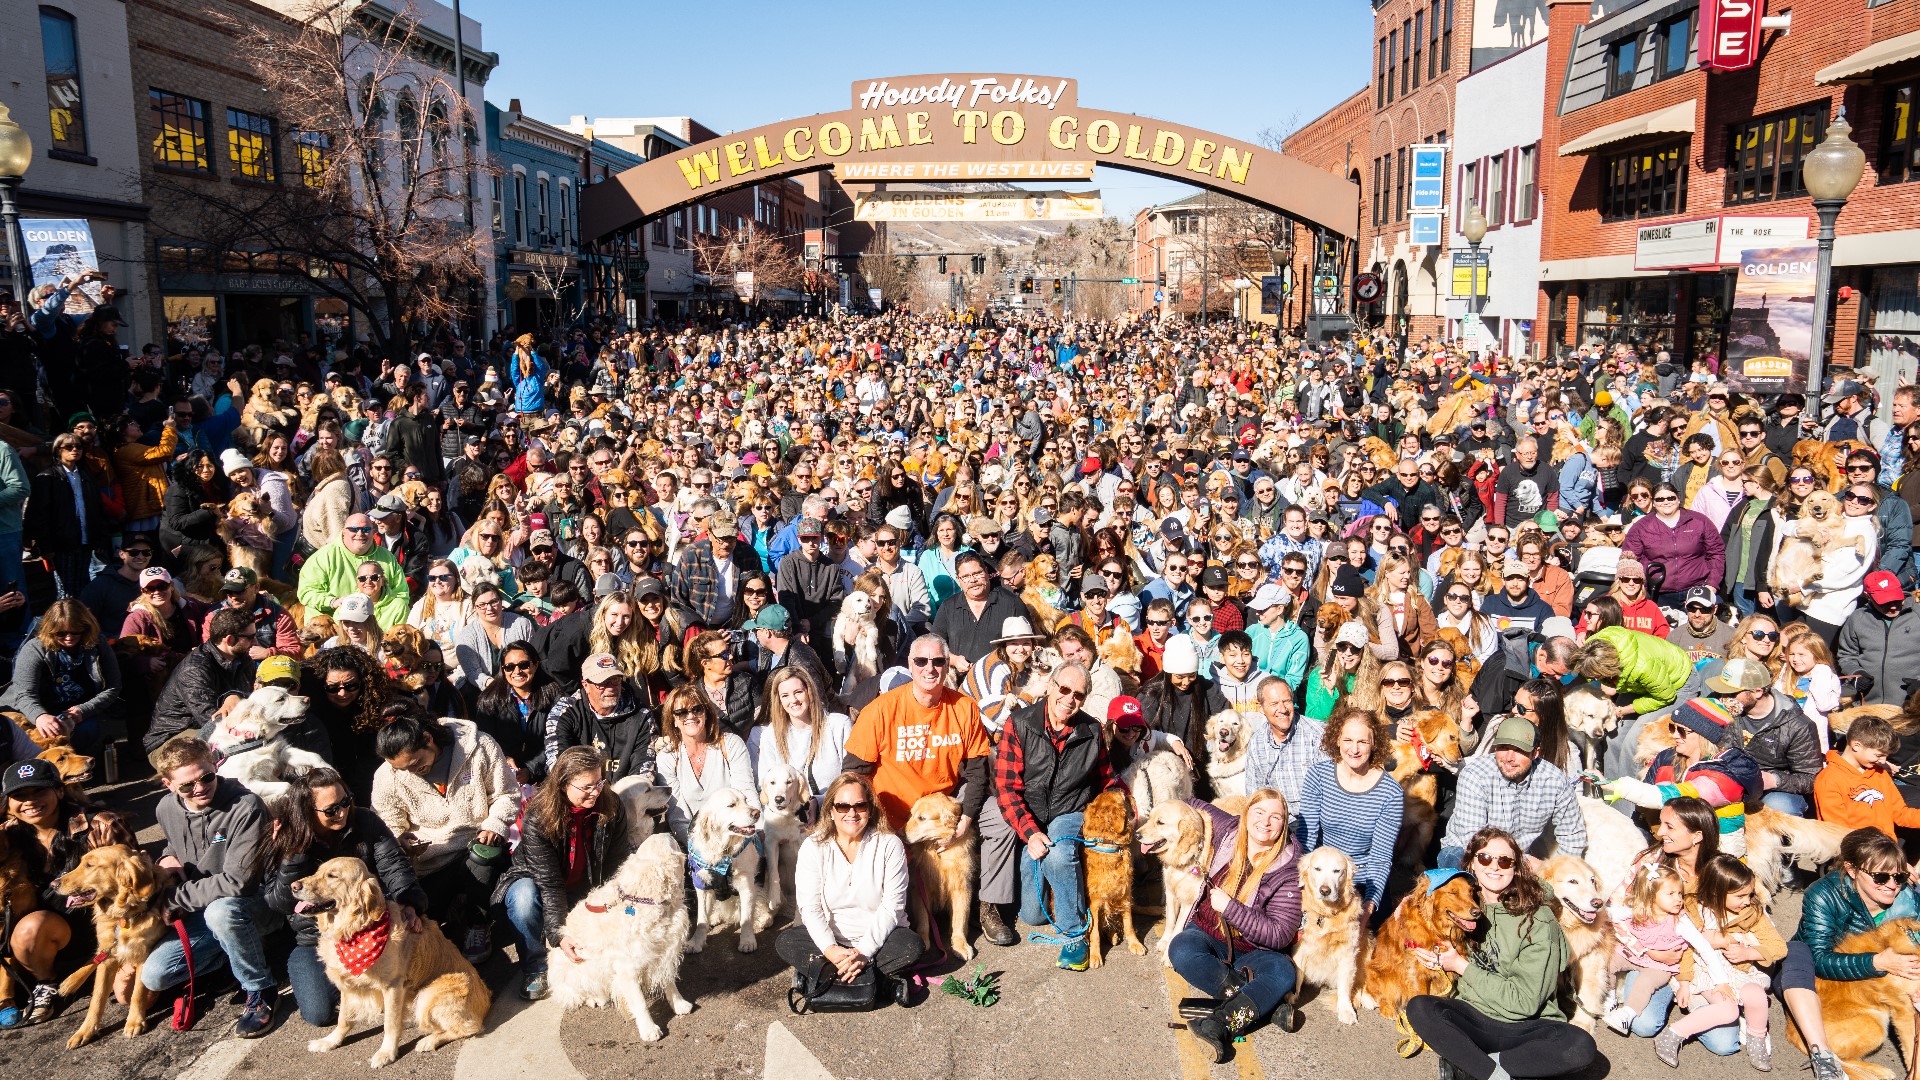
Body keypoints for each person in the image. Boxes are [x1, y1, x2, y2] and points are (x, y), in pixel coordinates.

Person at [1403, 827, 1597, 1080]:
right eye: (1485, 858)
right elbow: (1427, 898)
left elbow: (1524, 1003)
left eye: (1504, 860)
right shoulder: (1468, 907)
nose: (1494, 866)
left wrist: (1461, 966)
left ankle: (1473, 1066)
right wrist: (1407, 904)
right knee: (1420, 1008)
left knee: (1580, 1045)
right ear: (1472, 864)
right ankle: (1495, 1071)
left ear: (1516, 867)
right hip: (1473, 1018)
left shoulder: (1538, 921)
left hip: (1526, 1027)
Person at [841, 633, 997, 939]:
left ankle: (988, 906)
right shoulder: (882, 710)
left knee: (999, 818)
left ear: (947, 666)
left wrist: (964, 820)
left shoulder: (964, 708)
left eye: (938, 661)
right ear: (910, 665)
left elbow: (977, 772)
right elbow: (853, 773)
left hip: (942, 817)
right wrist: (872, 824)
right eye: (921, 661)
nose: (930, 668)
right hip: (891, 821)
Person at [265, 766, 428, 1028]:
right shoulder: (287, 837)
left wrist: (411, 902)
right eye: (330, 810)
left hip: (367, 926)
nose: (341, 813)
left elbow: (394, 866)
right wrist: (293, 854)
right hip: (315, 936)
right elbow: (279, 902)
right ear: (307, 812)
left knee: (401, 973)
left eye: (345, 801)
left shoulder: (365, 821)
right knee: (318, 1014)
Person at [140, 738, 278, 1038]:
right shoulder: (165, 808)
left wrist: (175, 897)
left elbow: (238, 882)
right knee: (155, 976)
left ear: (215, 766)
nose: (200, 787)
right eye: (187, 785)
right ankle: (233, 958)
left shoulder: (245, 806)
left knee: (221, 911)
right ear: (169, 784)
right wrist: (167, 858)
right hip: (197, 907)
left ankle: (260, 990)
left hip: (253, 903)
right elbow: (173, 844)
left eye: (206, 777)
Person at [986, 662, 1111, 970]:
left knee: (1058, 854)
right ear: (1051, 686)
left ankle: (1074, 935)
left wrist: (1124, 804)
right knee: (1032, 915)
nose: (1069, 699)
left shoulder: (1092, 730)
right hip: (1030, 811)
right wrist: (1029, 833)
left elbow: (1105, 780)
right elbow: (1005, 788)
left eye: (1078, 695)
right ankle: (1052, 891)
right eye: (1064, 689)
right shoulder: (1019, 723)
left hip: (1070, 809)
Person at [1165, 789, 1304, 1063]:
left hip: (1256, 950)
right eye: (1259, 813)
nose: (1265, 822)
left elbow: (1279, 934)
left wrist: (1231, 908)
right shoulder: (1229, 828)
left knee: (1283, 972)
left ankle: (1219, 1023)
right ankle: (1269, 1007)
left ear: (1284, 823)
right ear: (1246, 814)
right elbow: (1189, 803)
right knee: (1180, 948)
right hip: (1209, 933)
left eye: (1275, 817)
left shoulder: (1289, 869)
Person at [371, 710, 519, 962]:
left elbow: (507, 793)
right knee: (425, 913)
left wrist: (494, 823)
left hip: (477, 843)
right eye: (403, 769)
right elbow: (386, 820)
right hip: (430, 860)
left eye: (416, 763)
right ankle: (455, 909)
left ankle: (478, 924)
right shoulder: (388, 775)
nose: (413, 771)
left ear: (428, 739)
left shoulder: (479, 746)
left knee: (480, 861)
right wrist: (400, 838)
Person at [492, 744, 631, 1002]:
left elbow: (617, 863)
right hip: (538, 879)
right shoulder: (539, 815)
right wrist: (559, 934)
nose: (595, 792)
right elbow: (549, 883)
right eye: (586, 787)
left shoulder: (611, 806)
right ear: (564, 784)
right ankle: (535, 968)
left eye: (599, 782)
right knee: (523, 898)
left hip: (588, 881)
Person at [1774, 827, 1914, 1080]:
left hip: (1868, 982)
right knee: (1797, 955)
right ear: (1852, 870)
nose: (1892, 886)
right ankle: (1825, 1056)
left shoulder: (1907, 899)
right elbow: (1819, 958)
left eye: (1899, 877)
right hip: (1816, 968)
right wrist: (1877, 961)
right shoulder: (1822, 894)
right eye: (1881, 877)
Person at [776, 771, 924, 1008]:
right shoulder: (813, 847)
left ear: (870, 809)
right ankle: (883, 983)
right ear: (831, 811)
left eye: (860, 806)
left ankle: (820, 976)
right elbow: (810, 908)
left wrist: (864, 951)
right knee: (786, 941)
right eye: (843, 806)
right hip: (831, 939)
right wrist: (831, 950)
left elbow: (892, 907)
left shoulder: (889, 844)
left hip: (880, 939)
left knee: (911, 946)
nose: (852, 813)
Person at [0, 759, 96, 1026]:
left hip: (97, 925)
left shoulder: (97, 825)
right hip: (46, 936)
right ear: (8, 803)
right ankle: (46, 980)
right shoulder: (9, 836)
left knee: (126, 992)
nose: (30, 801)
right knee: (29, 928)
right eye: (19, 795)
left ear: (60, 791)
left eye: (39, 791)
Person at [1604, 698, 1761, 856]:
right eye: (1672, 728)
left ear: (1704, 735)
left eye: (1682, 731)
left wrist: (1621, 787)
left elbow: (1679, 797)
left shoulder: (1727, 771)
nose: (1674, 735)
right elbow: (1645, 807)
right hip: (1675, 845)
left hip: (1718, 857)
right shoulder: (1666, 757)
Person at [1292, 707, 1403, 916]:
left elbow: (1380, 857)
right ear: (1337, 740)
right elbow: (1307, 837)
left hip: (1361, 879)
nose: (1355, 749)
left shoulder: (1391, 792)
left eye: (1363, 742)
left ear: (1374, 743)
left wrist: (1369, 906)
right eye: (1348, 740)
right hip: (1321, 875)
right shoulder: (1319, 775)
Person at [1440, 716, 1586, 868]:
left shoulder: (1554, 780)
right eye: (1503, 747)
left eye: (1519, 750)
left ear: (1535, 753)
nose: (1509, 758)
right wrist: (1525, 863)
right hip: (1467, 852)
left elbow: (1573, 837)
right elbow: (1473, 840)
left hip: (1519, 859)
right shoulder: (1475, 775)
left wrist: (1554, 872)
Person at [1, 599, 121, 759]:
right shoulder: (34, 649)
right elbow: (23, 694)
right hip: (29, 712)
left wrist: (84, 710)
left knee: (89, 729)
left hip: (72, 712)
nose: (69, 637)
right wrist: (40, 716)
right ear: (51, 631)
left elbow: (113, 687)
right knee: (42, 735)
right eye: (61, 633)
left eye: (75, 632)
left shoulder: (98, 645)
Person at [143, 607, 258, 763]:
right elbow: (213, 721)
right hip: (171, 739)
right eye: (251, 637)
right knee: (240, 747)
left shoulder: (243, 659)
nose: (256, 642)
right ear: (230, 640)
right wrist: (232, 698)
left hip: (207, 730)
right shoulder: (194, 669)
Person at [656, 683, 757, 842]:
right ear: (673, 720)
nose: (690, 716)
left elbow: (747, 793)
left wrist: (758, 834)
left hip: (737, 838)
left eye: (697, 709)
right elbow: (678, 816)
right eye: (681, 712)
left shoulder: (731, 744)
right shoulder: (667, 757)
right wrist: (699, 850)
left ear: (706, 713)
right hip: (695, 843)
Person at [543, 651, 659, 784]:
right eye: (602, 683)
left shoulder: (641, 716)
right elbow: (558, 765)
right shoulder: (564, 712)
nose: (611, 688)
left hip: (626, 797)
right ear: (585, 685)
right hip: (580, 793)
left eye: (615, 681)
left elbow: (643, 772)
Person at [748, 664, 852, 809]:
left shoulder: (838, 725)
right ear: (779, 700)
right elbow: (766, 787)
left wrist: (820, 802)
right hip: (790, 818)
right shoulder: (770, 735)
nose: (793, 700)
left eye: (798, 692)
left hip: (834, 810)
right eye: (785, 695)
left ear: (809, 692)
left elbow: (851, 779)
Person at [1812, 714, 1920, 836]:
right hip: (1855, 849)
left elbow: (1900, 814)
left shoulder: (1880, 773)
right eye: (1878, 755)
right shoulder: (1829, 780)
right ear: (1856, 746)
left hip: (1885, 846)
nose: (1884, 761)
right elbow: (1838, 830)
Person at [296, 513, 409, 627]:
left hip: (378, 625)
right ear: (344, 531)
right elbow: (306, 592)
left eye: (365, 529)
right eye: (354, 529)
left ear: (373, 532)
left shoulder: (387, 557)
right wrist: (333, 602)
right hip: (333, 626)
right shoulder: (323, 557)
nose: (360, 534)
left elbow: (401, 593)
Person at [474, 640, 561, 785]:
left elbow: (557, 740)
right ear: (503, 669)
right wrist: (504, 758)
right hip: (502, 774)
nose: (517, 671)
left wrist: (531, 769)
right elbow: (485, 741)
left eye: (524, 665)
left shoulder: (553, 695)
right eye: (509, 667)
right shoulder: (489, 699)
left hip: (547, 774)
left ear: (536, 664)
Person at [929, 551, 1033, 672]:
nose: (973, 580)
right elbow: (934, 646)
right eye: (966, 576)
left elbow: (1029, 644)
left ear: (987, 572)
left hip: (1003, 681)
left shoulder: (1012, 603)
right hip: (959, 684)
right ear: (958, 580)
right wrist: (953, 660)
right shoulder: (948, 607)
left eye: (977, 573)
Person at [1623, 483, 1725, 605]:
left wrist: (1712, 584)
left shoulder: (1699, 521)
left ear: (1678, 499)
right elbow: (1630, 561)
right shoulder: (1641, 527)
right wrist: (1641, 588)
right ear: (1653, 502)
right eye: (1660, 499)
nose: (1666, 502)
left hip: (1696, 590)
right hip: (1657, 592)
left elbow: (1716, 553)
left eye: (1671, 498)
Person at [1836, 571, 1920, 707]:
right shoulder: (1858, 618)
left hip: (1910, 707)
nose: (1893, 606)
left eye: (1896, 599)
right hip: (1868, 706)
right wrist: (1856, 673)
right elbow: (1846, 655)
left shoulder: (1917, 615)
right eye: (1885, 602)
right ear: (1868, 596)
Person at [1241, 680, 1325, 807]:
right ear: (1260, 708)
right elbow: (1255, 795)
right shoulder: (1257, 743)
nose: (1282, 709)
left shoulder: (1317, 734)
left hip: (1318, 815)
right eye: (1274, 703)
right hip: (1281, 818)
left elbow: (1334, 789)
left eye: (1286, 701)